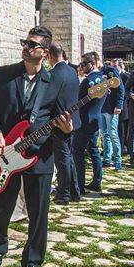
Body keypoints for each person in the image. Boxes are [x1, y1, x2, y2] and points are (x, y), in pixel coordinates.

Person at [0, 26, 74, 267]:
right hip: (5, 155)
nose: (26, 47)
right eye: (25, 43)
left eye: (32, 45)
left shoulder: (55, 81)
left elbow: (61, 118)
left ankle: (32, 262)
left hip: (39, 156)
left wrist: (67, 130)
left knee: (38, 212)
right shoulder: (5, 76)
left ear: (44, 52)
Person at [49, 43, 80, 204]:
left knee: (62, 160)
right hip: (73, 120)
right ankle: (75, 191)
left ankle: (64, 194)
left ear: (51, 56)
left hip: (60, 122)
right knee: (69, 158)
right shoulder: (72, 72)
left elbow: (50, 101)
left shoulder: (53, 74)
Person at [73, 56, 105, 195]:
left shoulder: (87, 81)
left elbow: (79, 101)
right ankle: (97, 181)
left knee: (78, 152)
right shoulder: (103, 79)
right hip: (96, 119)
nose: (81, 66)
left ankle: (79, 185)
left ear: (92, 64)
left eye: (84, 64)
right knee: (94, 150)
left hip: (84, 120)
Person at [95, 54, 125, 171]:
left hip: (112, 107)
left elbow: (120, 88)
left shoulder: (111, 70)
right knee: (104, 134)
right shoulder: (96, 74)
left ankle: (118, 161)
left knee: (112, 133)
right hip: (101, 108)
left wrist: (119, 105)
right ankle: (107, 159)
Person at [115, 60, 131, 161]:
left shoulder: (126, 76)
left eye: (115, 66)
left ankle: (122, 149)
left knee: (122, 129)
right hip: (113, 106)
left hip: (123, 106)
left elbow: (126, 91)